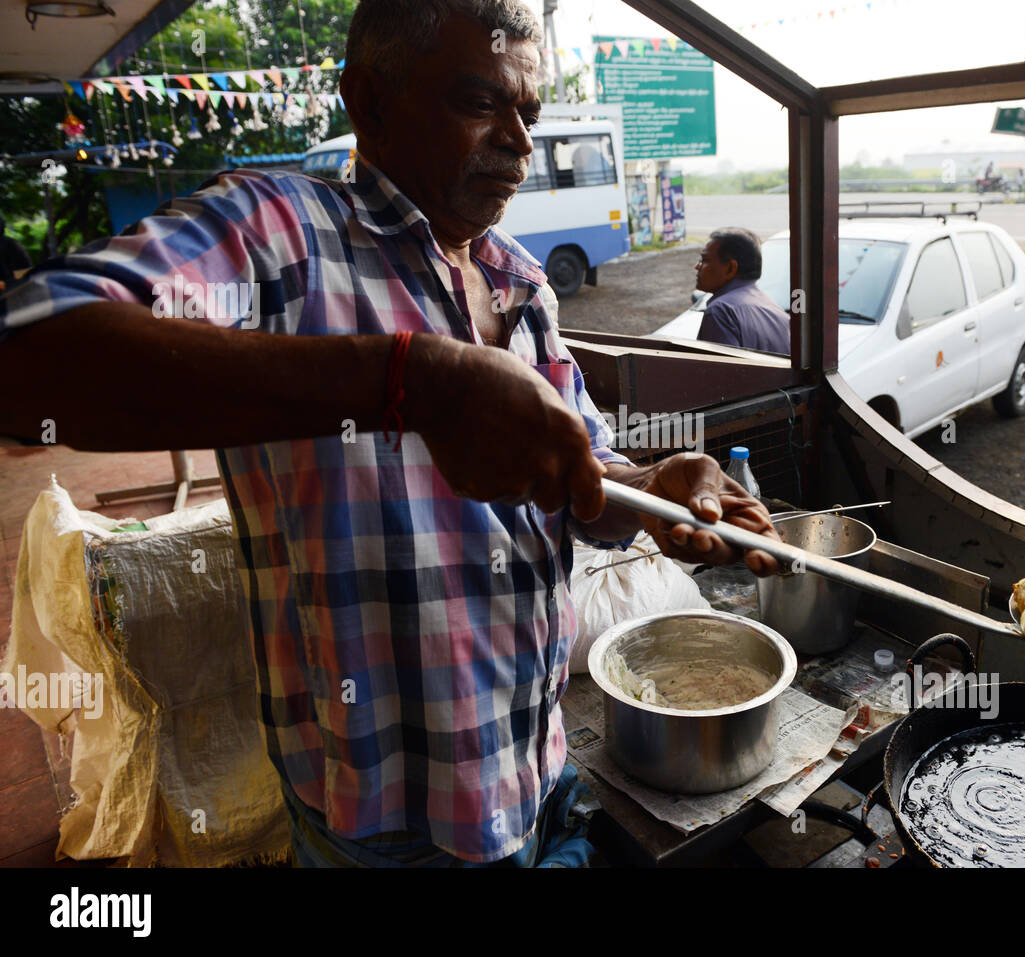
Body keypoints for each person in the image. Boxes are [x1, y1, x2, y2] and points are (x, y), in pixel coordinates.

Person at [0, 0, 780, 867]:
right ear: (369, 101)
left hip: (540, 769)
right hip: (386, 829)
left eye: (530, 112)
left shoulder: (521, 285)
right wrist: (409, 383)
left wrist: (651, 487)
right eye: (480, 103)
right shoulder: (282, 234)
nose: (520, 142)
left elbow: (585, 488)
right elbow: (31, 349)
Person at [694, 228, 790, 355]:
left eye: (705, 260)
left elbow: (721, 372)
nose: (697, 266)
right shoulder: (776, 310)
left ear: (730, 268)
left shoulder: (721, 311)